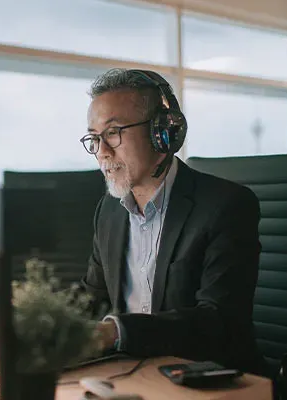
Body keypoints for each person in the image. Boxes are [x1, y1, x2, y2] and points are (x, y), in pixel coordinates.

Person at [79, 68, 267, 376]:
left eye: (113, 133)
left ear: (162, 132)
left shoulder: (226, 206)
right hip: (131, 371)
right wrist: (40, 317)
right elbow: (92, 296)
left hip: (205, 377)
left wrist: (116, 332)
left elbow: (218, 320)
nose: (101, 152)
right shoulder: (109, 212)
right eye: (94, 138)